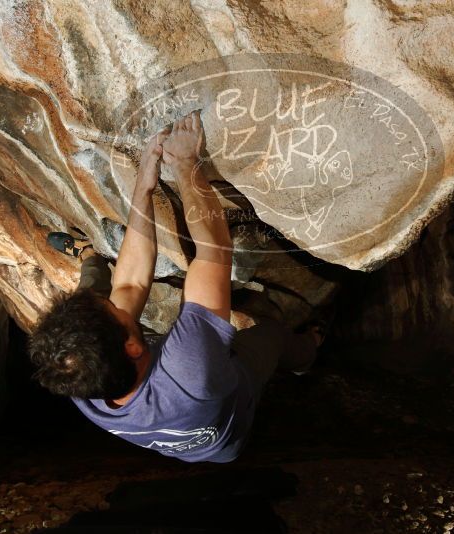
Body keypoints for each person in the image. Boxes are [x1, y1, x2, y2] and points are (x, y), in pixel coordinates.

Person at [28, 111, 324, 462]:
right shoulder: (190, 370)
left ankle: (88, 255)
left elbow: (130, 281)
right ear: (134, 348)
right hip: (227, 427)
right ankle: (309, 352)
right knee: (271, 337)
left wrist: (144, 187)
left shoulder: (79, 378)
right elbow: (214, 251)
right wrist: (186, 164)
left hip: (183, 417)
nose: (115, 300)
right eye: (112, 309)